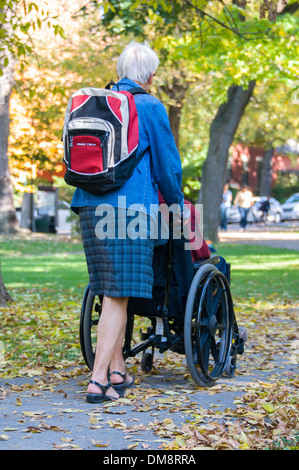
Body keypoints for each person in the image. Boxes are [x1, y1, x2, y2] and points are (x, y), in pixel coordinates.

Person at [70, 42, 186, 403]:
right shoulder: (149, 105)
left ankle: (118, 370)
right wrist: (177, 205)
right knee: (118, 297)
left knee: (108, 291)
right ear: (150, 75)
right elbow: (167, 166)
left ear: (120, 69)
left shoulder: (97, 102)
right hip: (129, 211)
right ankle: (99, 380)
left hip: (88, 205)